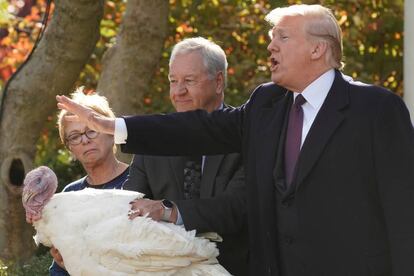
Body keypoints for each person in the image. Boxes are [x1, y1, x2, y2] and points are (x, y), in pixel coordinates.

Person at [56, 4, 414, 276]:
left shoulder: (376, 109)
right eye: (271, 39)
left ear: (318, 49)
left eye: (282, 39)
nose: (270, 48)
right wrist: (113, 126)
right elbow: (197, 129)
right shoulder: (267, 103)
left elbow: (403, 213)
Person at [123, 37, 248, 276]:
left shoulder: (247, 135)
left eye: (189, 81)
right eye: (173, 81)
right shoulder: (153, 141)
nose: (178, 91)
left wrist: (168, 211)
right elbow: (129, 206)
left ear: (218, 81)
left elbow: (235, 209)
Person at [50, 88, 129, 276]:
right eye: (75, 136)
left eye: (91, 130)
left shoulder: (139, 182)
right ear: (70, 149)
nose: (85, 140)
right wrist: (62, 264)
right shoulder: (69, 195)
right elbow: (58, 270)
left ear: (111, 133)